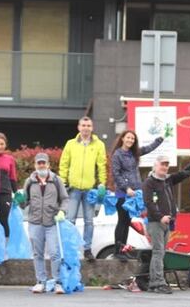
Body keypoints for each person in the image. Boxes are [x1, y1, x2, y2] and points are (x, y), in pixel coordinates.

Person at [142, 154, 190, 294]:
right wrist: (160, 216)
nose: (165, 167)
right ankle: (157, 282)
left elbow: (183, 174)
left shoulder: (168, 180)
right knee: (158, 252)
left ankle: (154, 282)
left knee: (160, 253)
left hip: (166, 222)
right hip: (156, 222)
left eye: (167, 165)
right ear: (155, 165)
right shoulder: (149, 182)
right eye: (162, 164)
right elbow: (149, 203)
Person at [110, 130, 163, 260]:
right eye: (128, 138)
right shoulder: (117, 155)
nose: (130, 140)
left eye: (132, 139)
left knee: (127, 221)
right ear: (122, 138)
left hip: (134, 193)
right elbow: (116, 174)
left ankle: (123, 249)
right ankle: (118, 250)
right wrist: (126, 188)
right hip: (123, 194)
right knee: (122, 221)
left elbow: (148, 148)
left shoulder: (134, 153)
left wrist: (160, 139)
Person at [60, 116, 107, 261]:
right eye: (83, 125)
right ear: (78, 127)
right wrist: (62, 182)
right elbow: (64, 164)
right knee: (70, 220)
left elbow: (102, 165)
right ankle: (69, 249)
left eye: (88, 125)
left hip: (89, 189)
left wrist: (102, 183)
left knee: (89, 221)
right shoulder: (70, 144)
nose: (86, 128)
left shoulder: (99, 145)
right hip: (73, 189)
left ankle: (87, 249)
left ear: (92, 128)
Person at [21, 152, 69, 294]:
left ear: (48, 164)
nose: (41, 165)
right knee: (38, 253)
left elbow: (65, 199)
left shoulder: (56, 180)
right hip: (35, 222)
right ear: (35, 165)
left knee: (54, 253)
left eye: (44, 163)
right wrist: (19, 201)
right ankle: (40, 282)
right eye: (39, 163)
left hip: (52, 222)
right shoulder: (29, 181)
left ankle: (57, 282)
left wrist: (62, 212)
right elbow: (24, 202)